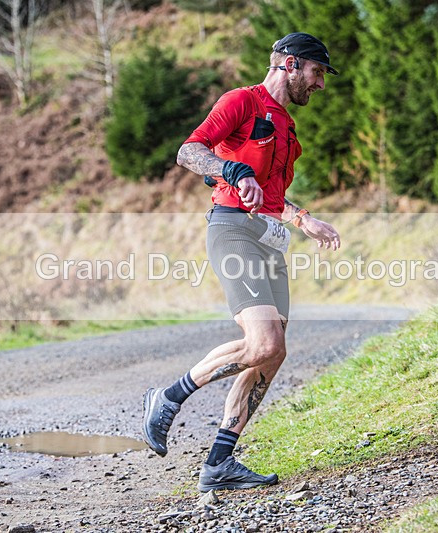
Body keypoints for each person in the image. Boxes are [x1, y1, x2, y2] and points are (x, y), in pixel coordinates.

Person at [142, 32, 341, 493]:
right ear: (290, 64)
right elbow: (189, 151)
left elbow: (272, 199)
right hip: (231, 230)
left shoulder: (287, 128)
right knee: (263, 341)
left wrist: (303, 219)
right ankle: (168, 397)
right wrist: (231, 170)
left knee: (274, 351)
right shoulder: (241, 102)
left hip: (268, 239)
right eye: (316, 73)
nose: (320, 85)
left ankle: (219, 462)